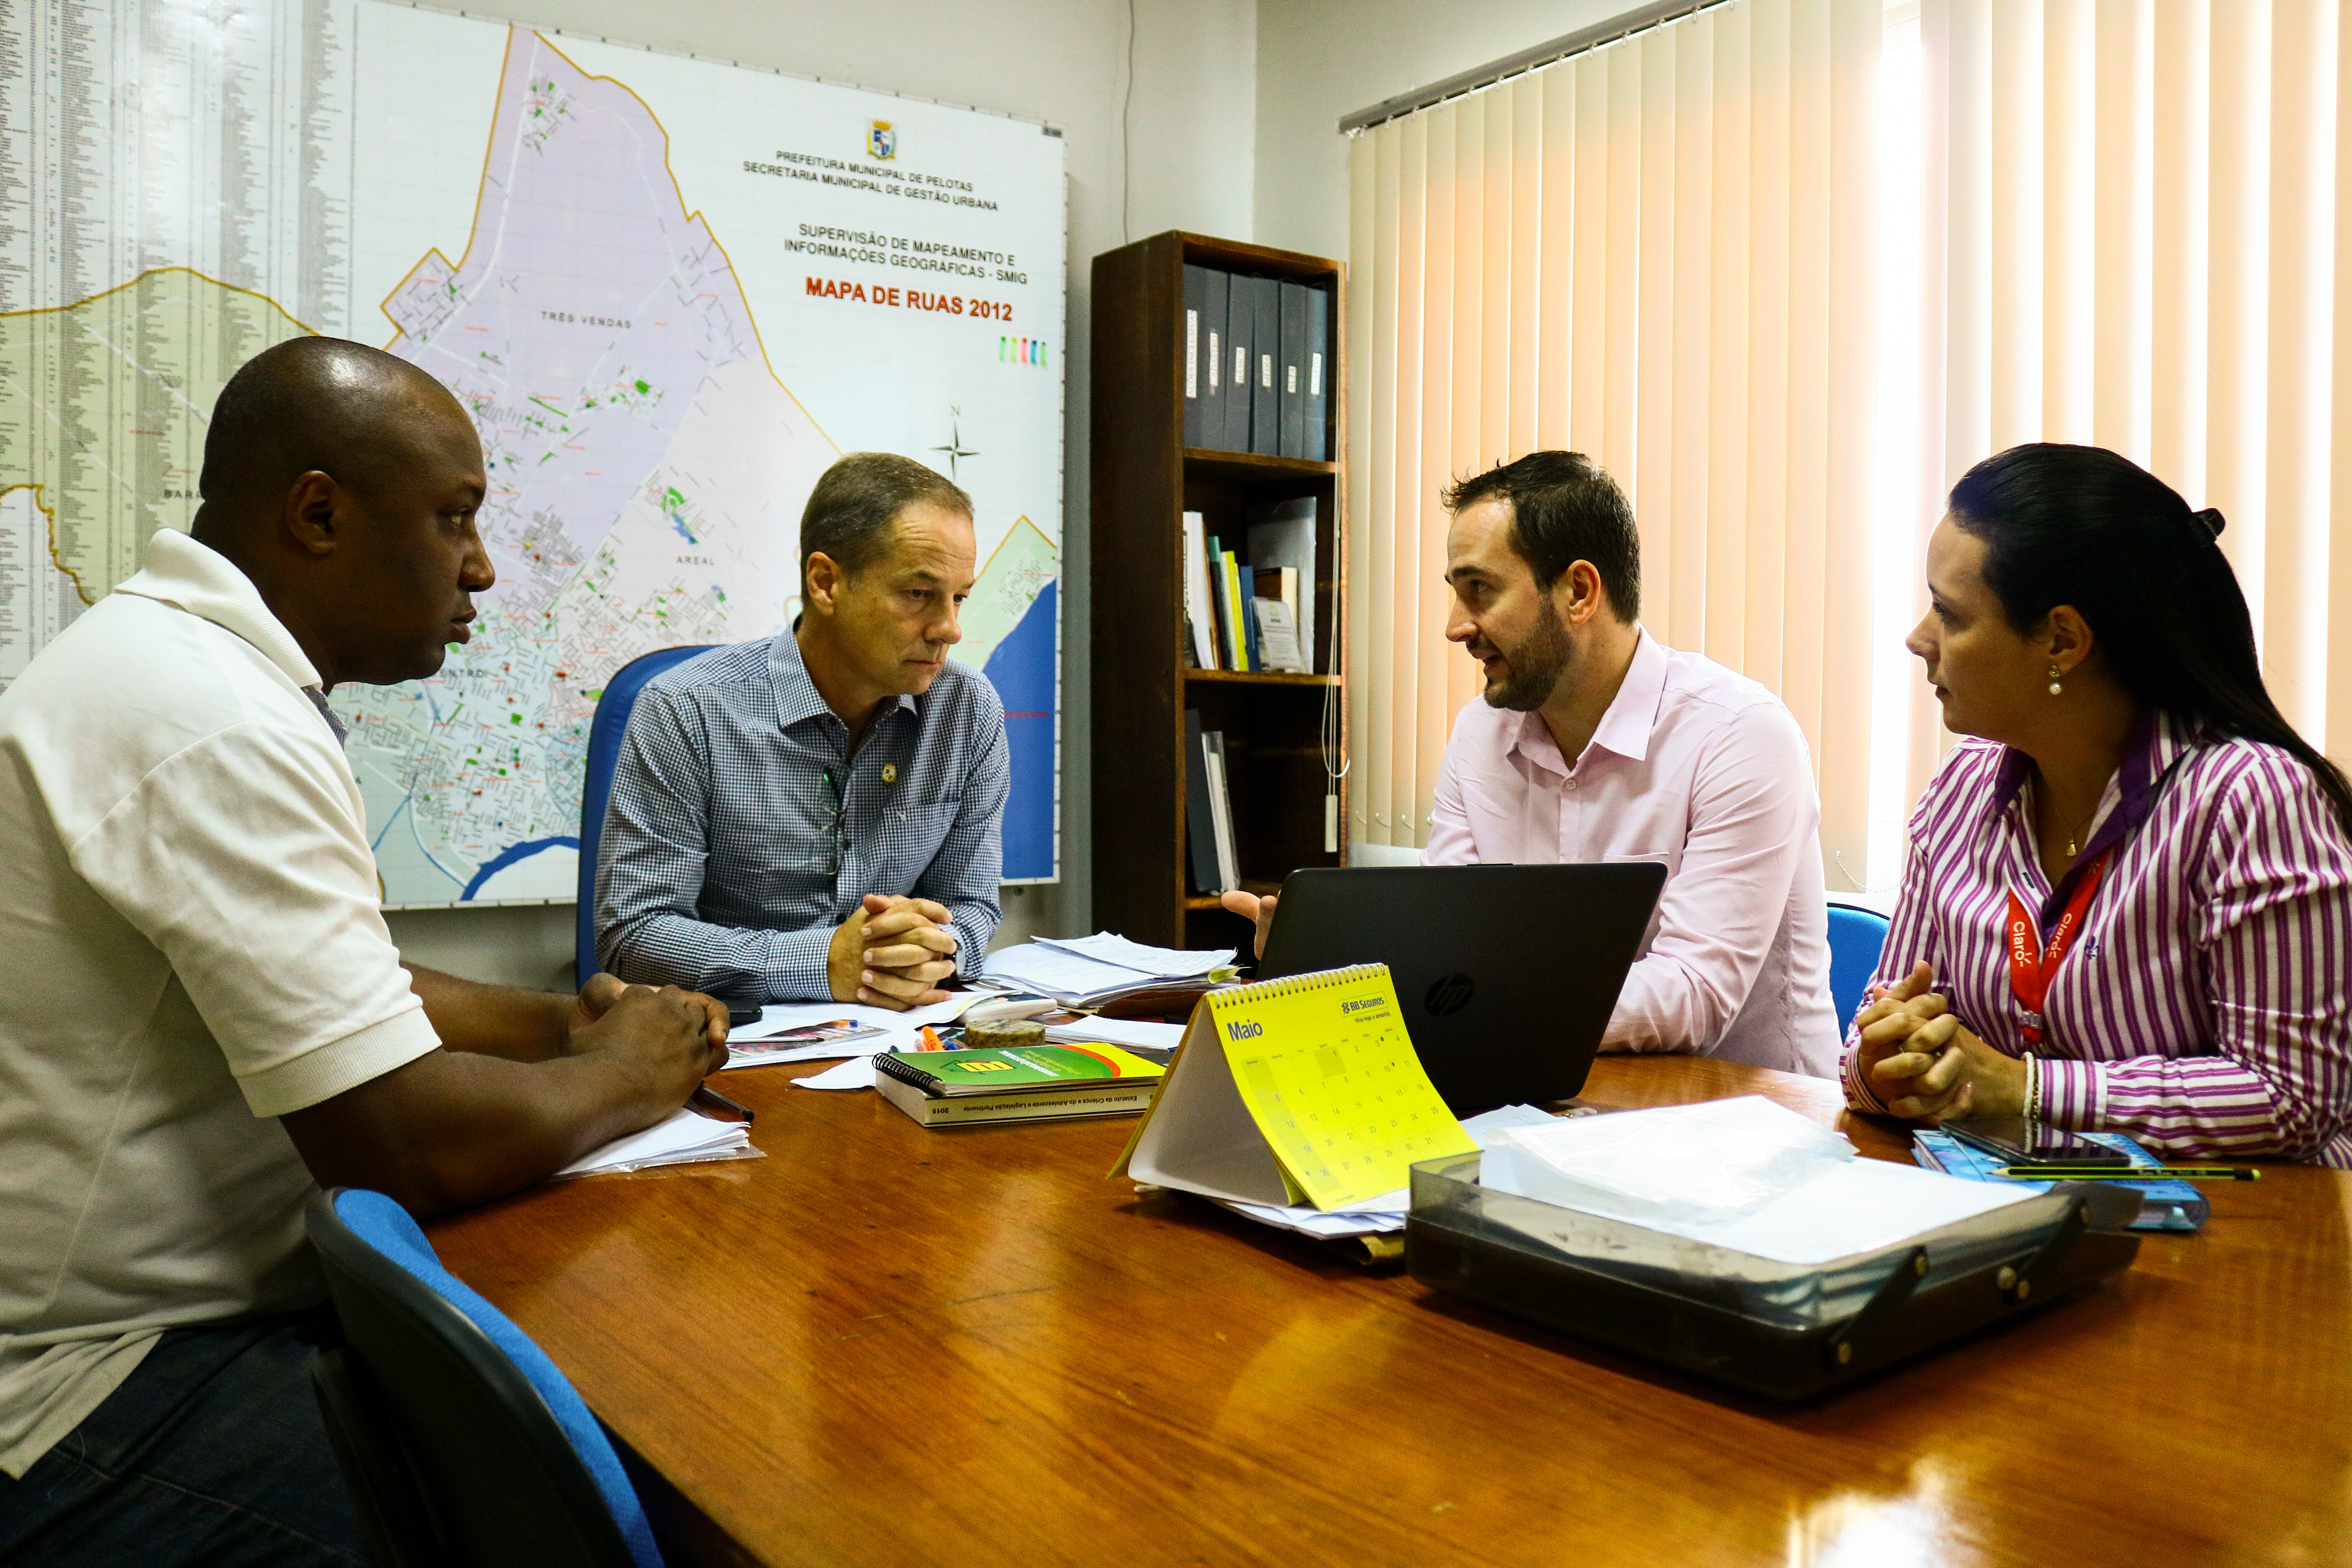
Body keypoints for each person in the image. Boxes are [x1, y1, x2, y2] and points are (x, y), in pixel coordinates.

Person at [0, 338, 731, 1566]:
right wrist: (635, 1069)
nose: (481, 566)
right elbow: (403, 1145)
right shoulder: (213, 717)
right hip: (93, 1386)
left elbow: (345, 985)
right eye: (455, 518)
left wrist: (559, 1027)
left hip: (154, 1319)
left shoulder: (188, 667)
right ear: (320, 515)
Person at [1228, 451, 1839, 1076]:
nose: (1455, 627)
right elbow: (1446, 946)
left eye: (1480, 590)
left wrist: (1469, 998)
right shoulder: (1481, 734)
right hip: (1552, 1093)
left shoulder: (1740, 735)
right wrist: (1323, 971)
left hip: (1749, 1114)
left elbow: (1692, 996)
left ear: (1579, 592)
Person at [1847, 444, 2352, 1162]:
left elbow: (2292, 1096)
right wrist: (1884, 1065)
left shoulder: (2251, 799)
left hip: (2240, 1221)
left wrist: (2027, 1088)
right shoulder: (1963, 789)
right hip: (2023, 1206)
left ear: (2062, 641)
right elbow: (1872, 1035)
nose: (1918, 639)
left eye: (1950, 614)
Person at [595, 452, 1011, 1012]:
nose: (950, 629)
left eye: (959, 597)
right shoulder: (687, 709)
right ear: (825, 583)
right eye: (919, 594)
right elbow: (635, 936)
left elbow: (971, 906)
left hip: (904, 1032)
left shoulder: (967, 710)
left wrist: (930, 952)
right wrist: (824, 963)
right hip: (733, 1038)